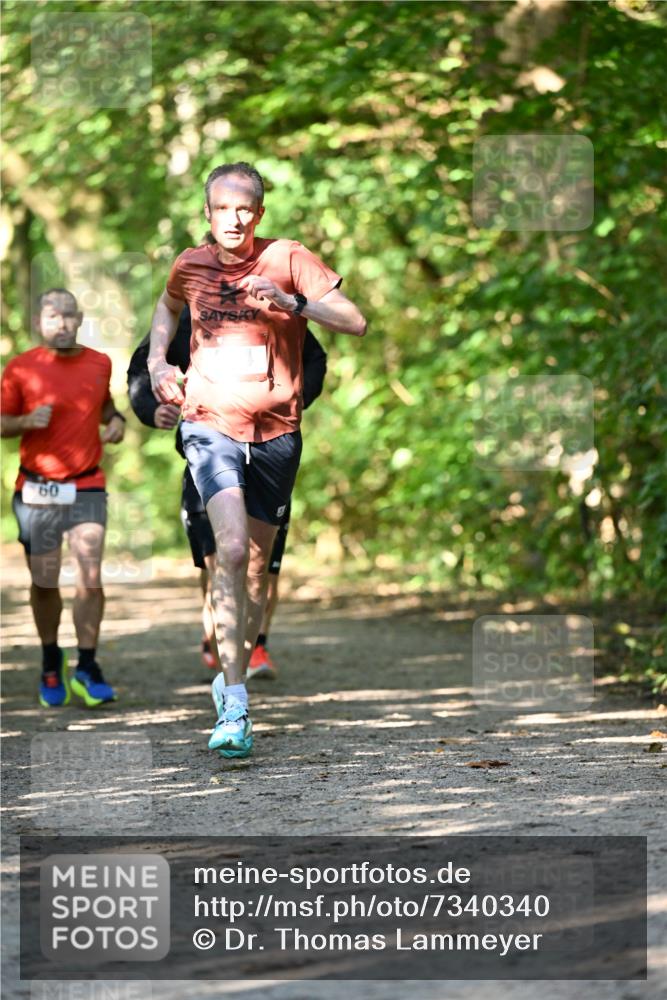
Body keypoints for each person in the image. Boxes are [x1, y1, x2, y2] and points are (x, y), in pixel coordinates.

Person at [148, 161, 366, 759]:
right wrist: (158, 366)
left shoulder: (290, 258)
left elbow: (355, 322)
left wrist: (294, 302)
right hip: (208, 425)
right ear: (208, 213)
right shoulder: (189, 265)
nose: (234, 218)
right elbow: (166, 310)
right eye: (223, 208)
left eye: (245, 208)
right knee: (233, 548)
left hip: (276, 433)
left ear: (259, 214)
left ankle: (232, 676)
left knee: (255, 572)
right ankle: (236, 703)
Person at [127, 304, 327, 678]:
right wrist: (152, 409)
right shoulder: (187, 315)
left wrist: (295, 397)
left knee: (260, 563)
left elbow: (314, 357)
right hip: (208, 453)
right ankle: (225, 654)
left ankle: (255, 646)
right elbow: (142, 368)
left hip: (268, 449)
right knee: (221, 560)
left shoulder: (269, 309)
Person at [1, 288, 125, 708]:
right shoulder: (20, 369)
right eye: (54, 316)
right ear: (40, 321)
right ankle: (51, 658)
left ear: (80, 319)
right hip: (36, 486)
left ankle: (87, 666)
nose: (62, 323)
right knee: (44, 579)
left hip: (87, 481)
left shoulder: (99, 363)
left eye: (69, 316)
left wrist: (117, 420)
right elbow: (2, 423)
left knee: (90, 574)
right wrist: (24, 420)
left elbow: (103, 405)